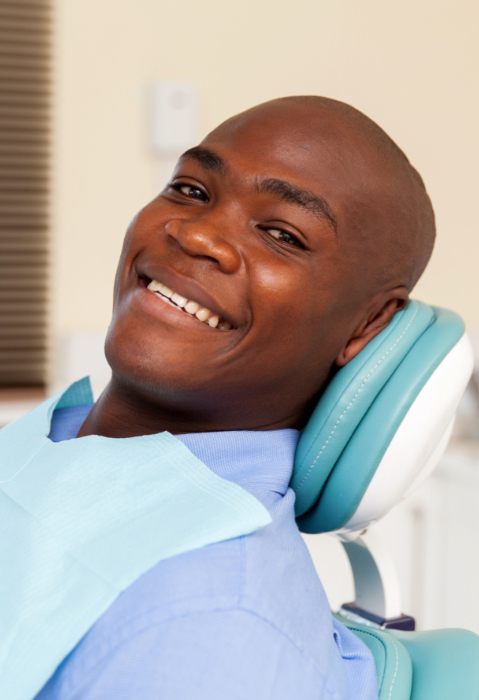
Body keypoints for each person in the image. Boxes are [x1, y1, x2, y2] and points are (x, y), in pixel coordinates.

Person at [34, 95, 435, 699]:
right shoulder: (56, 434)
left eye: (281, 234)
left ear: (367, 326)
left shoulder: (212, 626)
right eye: (192, 190)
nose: (197, 235)